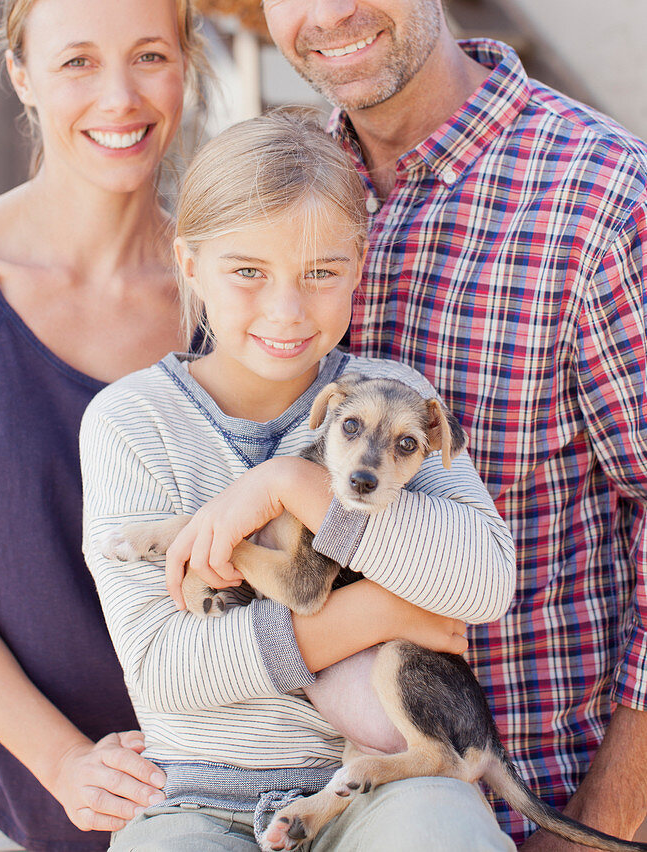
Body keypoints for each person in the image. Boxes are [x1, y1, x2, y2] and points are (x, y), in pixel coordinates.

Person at [206, 0, 647, 849]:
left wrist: (601, 825)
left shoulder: (600, 203)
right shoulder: (287, 203)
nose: (328, 9)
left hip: (533, 802)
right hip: (314, 800)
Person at [81, 111, 517, 852]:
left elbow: (481, 585)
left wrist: (291, 482)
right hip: (197, 792)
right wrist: (387, 613)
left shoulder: (392, 399)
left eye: (320, 272)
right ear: (189, 264)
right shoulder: (131, 421)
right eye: (247, 271)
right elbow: (164, 672)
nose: (286, 309)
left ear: (358, 262)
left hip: (388, 785)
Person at [0, 0, 210, 852]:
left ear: (187, 64)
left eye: (149, 56)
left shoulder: (232, 293)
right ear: (21, 73)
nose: (119, 98)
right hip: (16, 811)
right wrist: (63, 761)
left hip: (218, 814)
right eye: (77, 61)